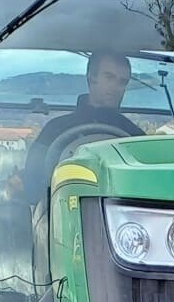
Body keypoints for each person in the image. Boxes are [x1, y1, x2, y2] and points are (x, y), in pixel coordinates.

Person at [22, 52, 143, 201]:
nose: (115, 87)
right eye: (109, 77)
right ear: (91, 77)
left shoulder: (135, 136)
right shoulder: (55, 129)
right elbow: (32, 184)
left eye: (122, 82)